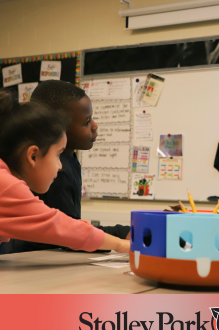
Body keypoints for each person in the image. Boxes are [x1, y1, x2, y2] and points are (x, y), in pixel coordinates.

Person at [4, 80, 130, 254]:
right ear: (32, 156)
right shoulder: (7, 185)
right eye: (57, 155)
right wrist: (121, 244)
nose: (60, 165)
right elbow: (62, 227)